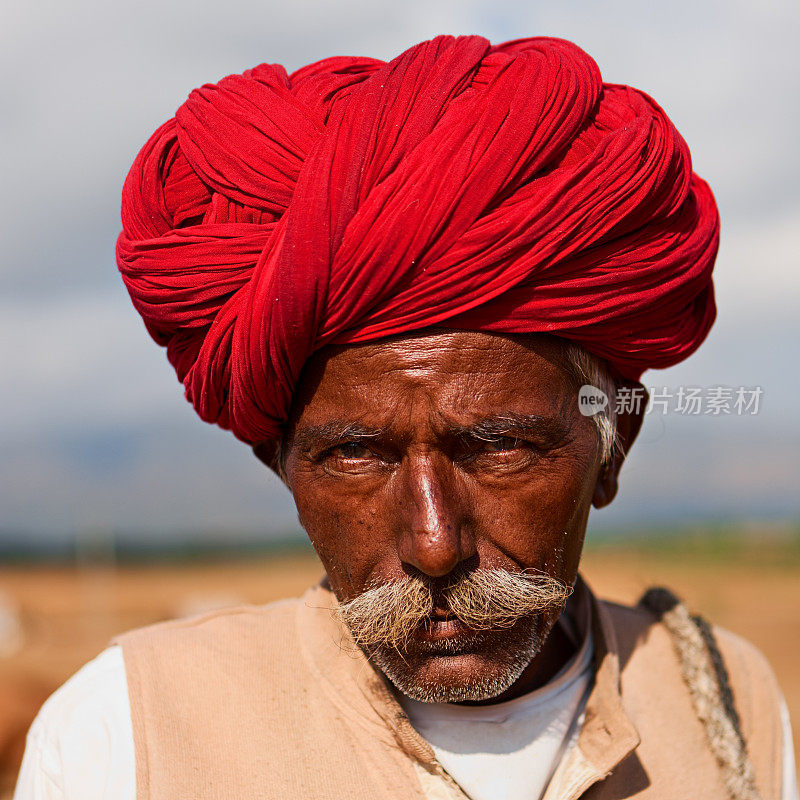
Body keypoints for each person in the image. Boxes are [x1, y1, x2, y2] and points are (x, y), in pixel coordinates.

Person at [14, 34, 797, 800]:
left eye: (499, 448)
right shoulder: (125, 735)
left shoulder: (725, 706)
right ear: (276, 460)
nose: (433, 543)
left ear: (613, 445)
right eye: (356, 455)